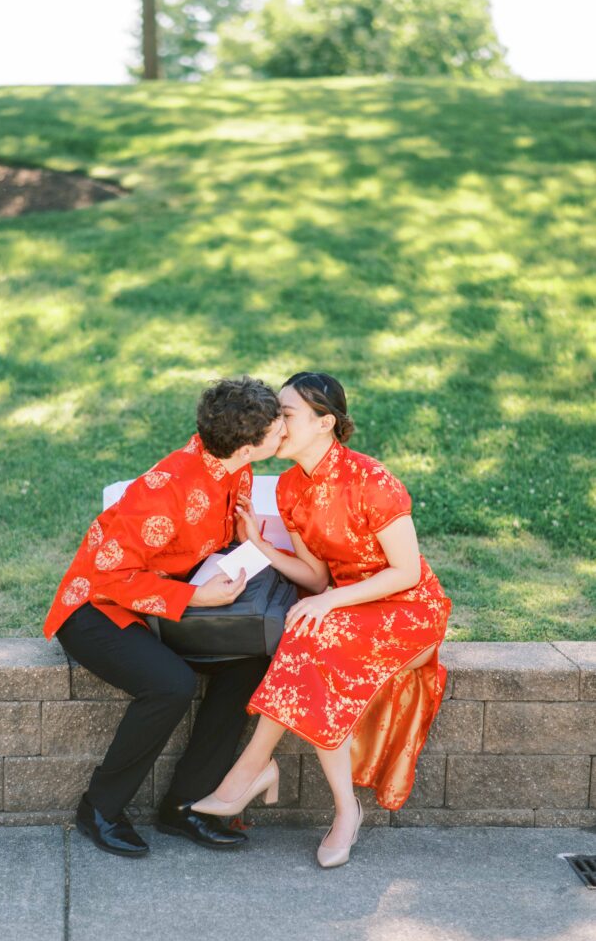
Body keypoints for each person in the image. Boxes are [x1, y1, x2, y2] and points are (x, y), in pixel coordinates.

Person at [192, 372, 452, 868]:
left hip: (409, 608)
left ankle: (248, 774)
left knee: (315, 628)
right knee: (310, 637)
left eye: (286, 414)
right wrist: (260, 544)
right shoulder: (290, 488)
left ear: (325, 422)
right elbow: (314, 576)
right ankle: (342, 809)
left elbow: (407, 573)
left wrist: (331, 601)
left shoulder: (373, 482)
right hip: (350, 608)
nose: (275, 423)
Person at [43, 376, 285, 858]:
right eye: (277, 430)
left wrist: (241, 541)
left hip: (166, 602)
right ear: (246, 446)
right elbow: (107, 576)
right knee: (170, 684)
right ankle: (99, 809)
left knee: (250, 662)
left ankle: (185, 806)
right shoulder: (164, 491)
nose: (283, 435)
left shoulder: (233, 467)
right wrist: (199, 600)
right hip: (96, 609)